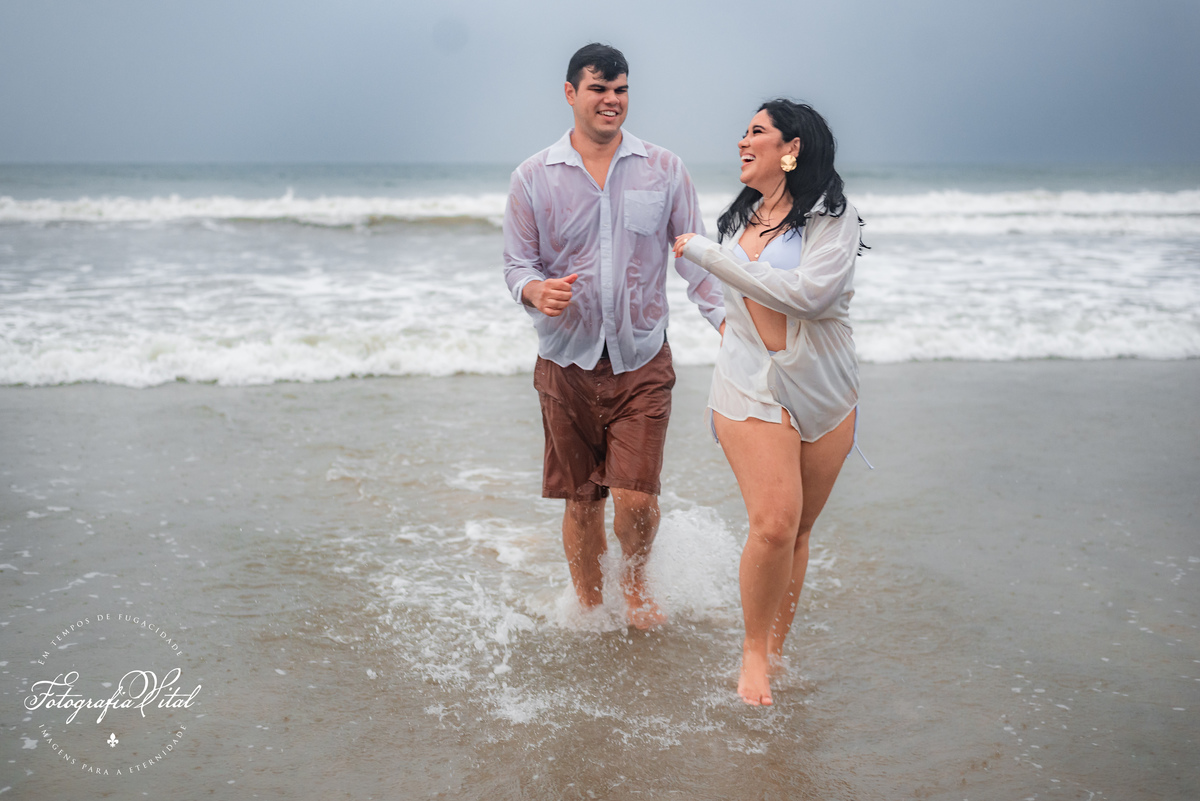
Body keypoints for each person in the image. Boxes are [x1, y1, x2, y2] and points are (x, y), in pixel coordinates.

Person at [503, 43, 725, 629]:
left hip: (642, 357)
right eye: (599, 89)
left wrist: (728, 323)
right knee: (581, 500)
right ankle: (590, 609)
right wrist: (534, 291)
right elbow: (516, 265)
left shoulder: (664, 167)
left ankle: (635, 583)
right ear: (571, 93)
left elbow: (695, 260)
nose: (613, 101)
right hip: (564, 360)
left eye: (621, 89)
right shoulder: (533, 176)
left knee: (636, 499)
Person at [672, 99, 866, 704]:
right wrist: (726, 318)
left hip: (825, 388)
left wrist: (710, 255)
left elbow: (809, 296)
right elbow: (721, 290)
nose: (741, 142)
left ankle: (776, 647)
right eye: (743, 132)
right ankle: (753, 654)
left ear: (792, 148)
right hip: (748, 385)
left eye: (755, 132)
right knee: (775, 523)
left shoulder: (833, 218)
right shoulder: (737, 222)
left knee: (801, 529)